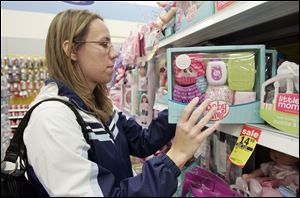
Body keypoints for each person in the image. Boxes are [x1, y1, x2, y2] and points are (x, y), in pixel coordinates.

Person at [23, 9, 220, 197]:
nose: (114, 54)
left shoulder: (99, 105)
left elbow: (142, 142)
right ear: (72, 50)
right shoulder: (52, 119)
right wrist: (176, 155)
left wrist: (181, 105)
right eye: (104, 44)